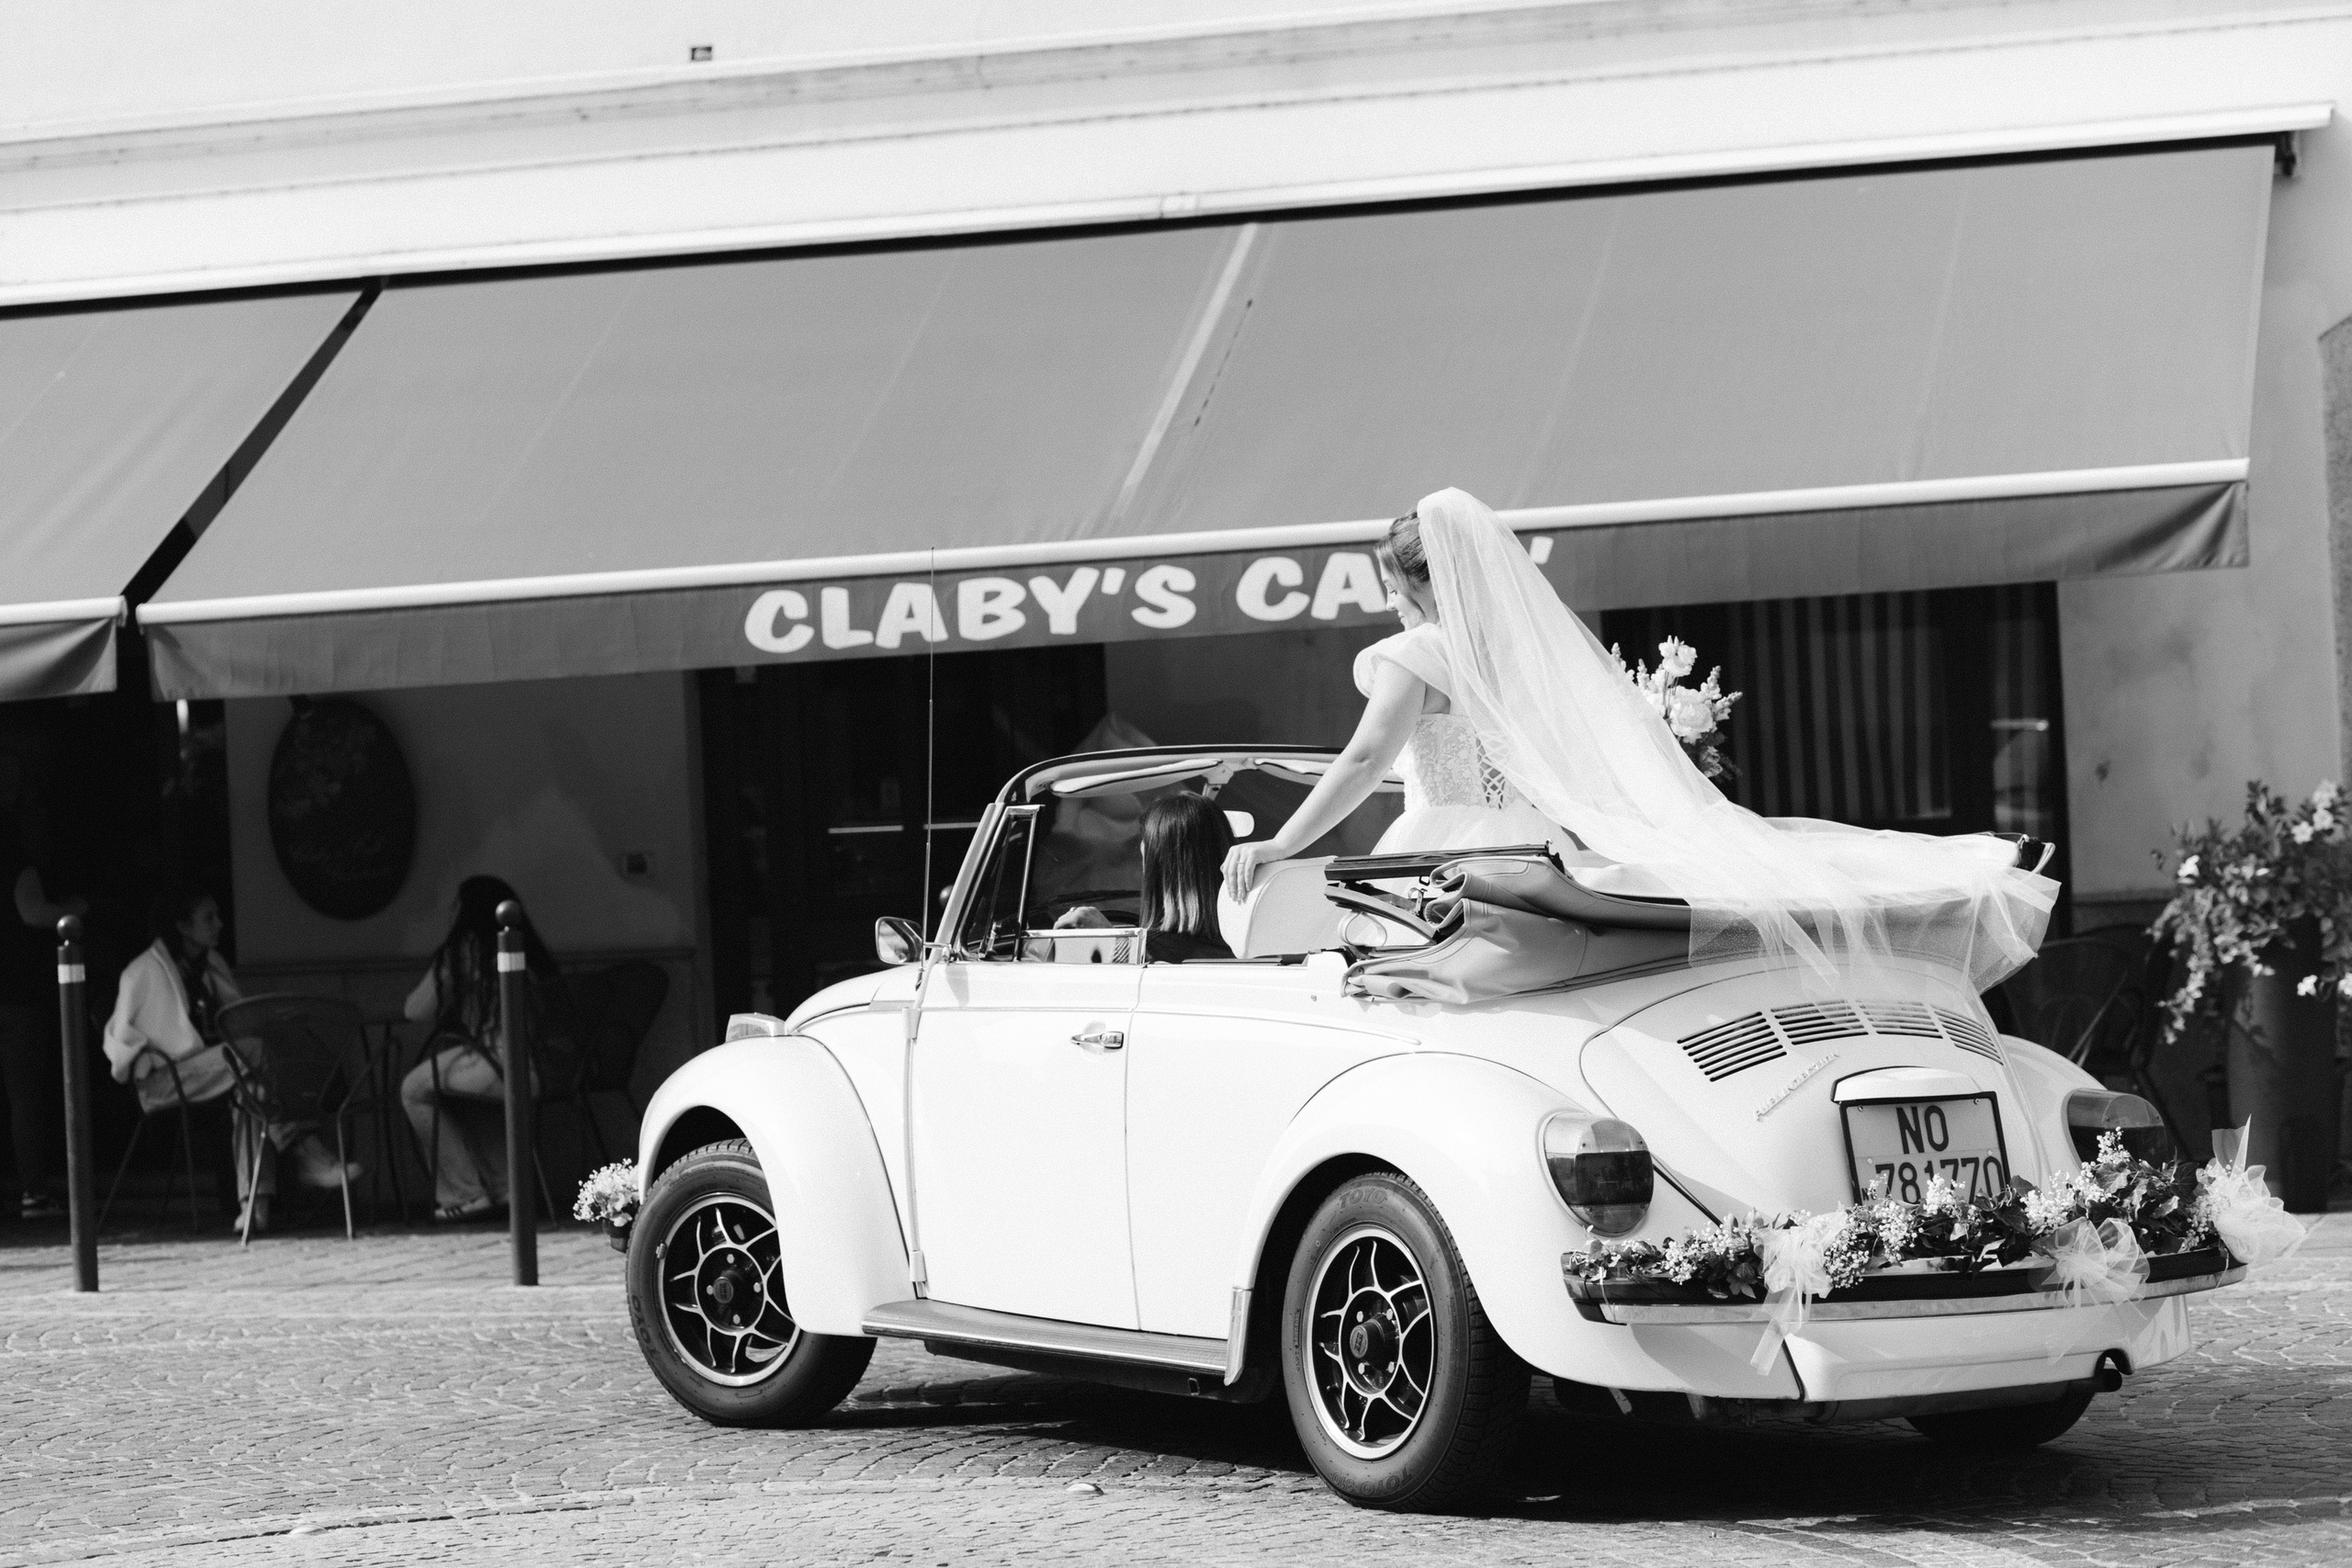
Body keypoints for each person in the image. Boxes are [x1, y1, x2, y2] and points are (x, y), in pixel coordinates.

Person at [1223, 488, 2055, 990]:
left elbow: (1368, 760)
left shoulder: (1419, 654)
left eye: (1394, 586)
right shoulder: (1511, 667)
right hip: (1531, 849)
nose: (1393, 604)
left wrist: (1280, 843)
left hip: (1451, 856)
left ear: (1424, 581)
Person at [101, 886, 356, 1233]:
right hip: (162, 1081)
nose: (220, 924)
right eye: (209, 918)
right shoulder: (143, 971)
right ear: (182, 926)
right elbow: (119, 1039)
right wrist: (143, 1062)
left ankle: (255, 1208)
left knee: (252, 1092)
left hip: (214, 1070)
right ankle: (306, 1148)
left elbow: (239, 1019)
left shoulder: (211, 965)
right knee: (251, 1056)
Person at [400, 876, 570, 1222]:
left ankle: (466, 1193)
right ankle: (505, 1187)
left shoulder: (466, 950)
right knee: (463, 1092)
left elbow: (415, 1011)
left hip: (502, 1063)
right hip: (553, 1068)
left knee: (414, 1090)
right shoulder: (530, 949)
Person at [0, 751, 79, 1223]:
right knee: (24, 1093)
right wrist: (76, 912)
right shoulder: (9, 841)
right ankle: (33, 1192)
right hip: (16, 987)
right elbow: (32, 911)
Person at [1055, 793, 1238, 963]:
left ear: (1157, 867)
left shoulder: (1148, 953)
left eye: (1144, 850)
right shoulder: (1248, 944)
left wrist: (1108, 940)